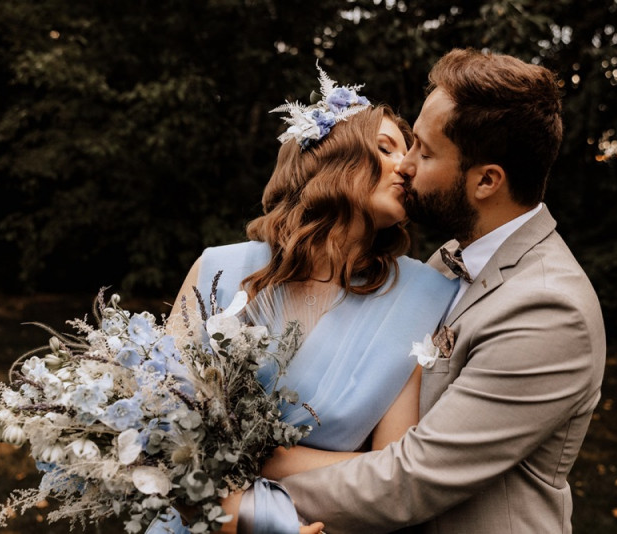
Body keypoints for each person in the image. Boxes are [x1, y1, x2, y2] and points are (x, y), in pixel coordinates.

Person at [259, 47, 606, 533]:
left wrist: (247, 478)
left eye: (424, 150)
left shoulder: (548, 309)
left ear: (487, 181)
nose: (405, 166)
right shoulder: (444, 262)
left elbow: (409, 478)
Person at [145, 65, 460, 534]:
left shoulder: (423, 296)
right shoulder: (218, 269)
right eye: (385, 149)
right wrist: (241, 516)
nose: (407, 167)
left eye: (410, 153)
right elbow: (157, 425)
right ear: (333, 158)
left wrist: (259, 464)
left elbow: (392, 469)